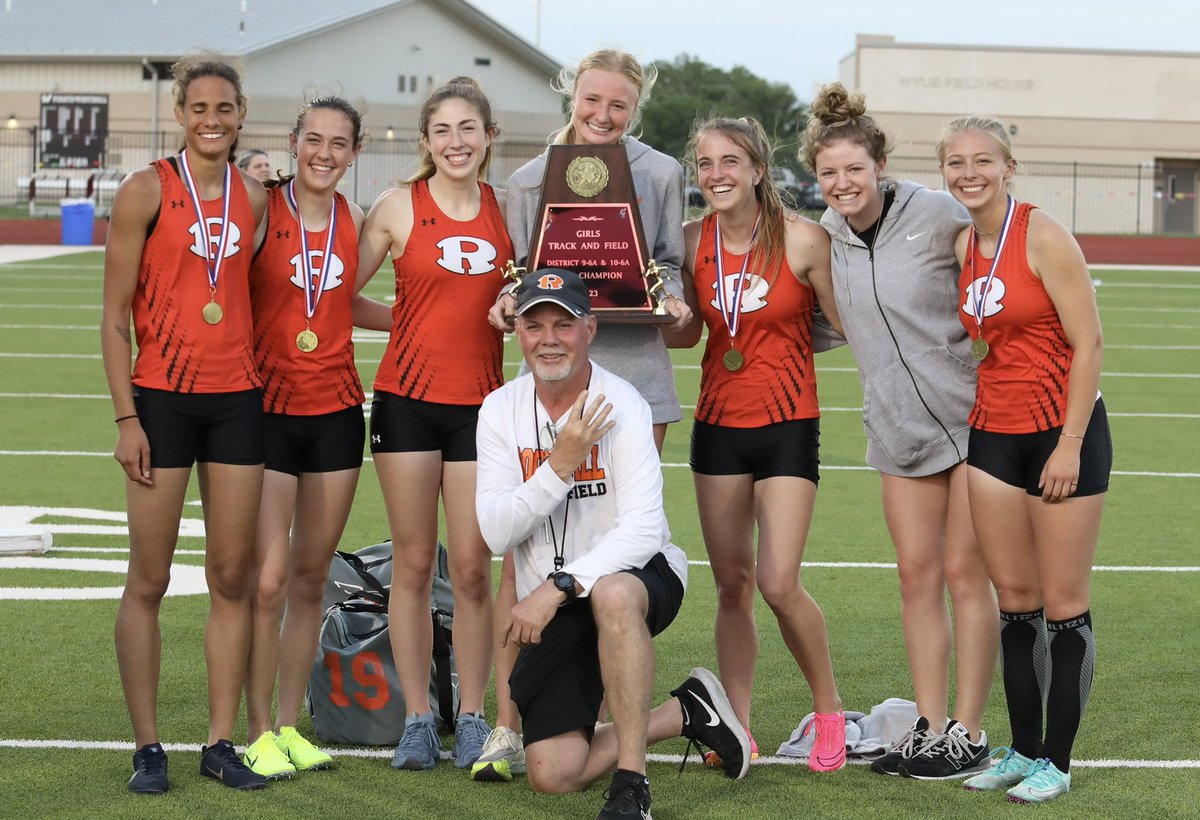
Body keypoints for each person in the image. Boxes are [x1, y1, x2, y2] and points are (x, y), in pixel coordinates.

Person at [478, 46, 691, 783]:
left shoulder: (661, 172)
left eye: (619, 107)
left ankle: (615, 714)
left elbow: (670, 263)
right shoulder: (527, 179)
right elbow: (517, 272)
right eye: (592, 101)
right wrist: (510, 301)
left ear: (636, 109)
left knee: (621, 537)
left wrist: (674, 298)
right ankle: (508, 722)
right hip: (553, 359)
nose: (603, 117)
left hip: (634, 366)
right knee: (526, 542)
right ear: (572, 94)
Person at [475, 268, 751, 820]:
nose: (549, 339)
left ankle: (631, 786)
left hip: (640, 575)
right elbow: (497, 532)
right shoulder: (499, 410)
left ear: (591, 329)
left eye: (564, 324)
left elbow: (645, 529)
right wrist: (560, 464)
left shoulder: (622, 403)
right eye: (534, 325)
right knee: (553, 775)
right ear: (518, 333)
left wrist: (559, 587)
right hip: (556, 601)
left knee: (613, 595)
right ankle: (683, 711)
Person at [801, 83, 999, 779]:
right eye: (829, 173)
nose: (843, 183)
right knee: (916, 578)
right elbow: (825, 321)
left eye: (854, 169)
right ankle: (929, 725)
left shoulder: (940, 212)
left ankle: (968, 733)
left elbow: (1001, 274)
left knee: (964, 574)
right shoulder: (823, 237)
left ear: (879, 164)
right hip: (896, 430)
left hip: (973, 422)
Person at [100, 56, 270, 793]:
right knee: (150, 578)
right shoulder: (145, 190)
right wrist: (126, 418)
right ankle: (147, 747)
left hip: (237, 400)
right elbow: (112, 319)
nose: (212, 119)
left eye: (224, 108)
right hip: (161, 400)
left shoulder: (255, 198)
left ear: (239, 115)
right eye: (198, 107)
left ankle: (219, 740)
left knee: (231, 577)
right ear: (179, 114)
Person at [938, 116, 1109, 804]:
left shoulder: (1043, 234)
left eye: (983, 160)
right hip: (993, 435)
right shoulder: (962, 245)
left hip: (1059, 435)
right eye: (955, 162)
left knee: (1065, 604)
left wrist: (1069, 445)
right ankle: (1024, 749)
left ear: (1008, 166)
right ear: (944, 171)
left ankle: (1058, 763)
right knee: (1015, 601)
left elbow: (1090, 343)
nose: (969, 172)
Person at [675, 116, 846, 773]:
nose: (715, 173)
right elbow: (683, 338)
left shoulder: (804, 241)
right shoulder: (690, 241)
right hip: (717, 425)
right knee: (731, 586)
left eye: (729, 160)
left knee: (777, 581)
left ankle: (828, 709)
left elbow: (843, 321)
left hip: (786, 425)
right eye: (704, 163)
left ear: (756, 169)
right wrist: (637, 313)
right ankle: (737, 727)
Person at [355, 76, 510, 771]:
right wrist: (405, 322)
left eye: (467, 128)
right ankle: (419, 716)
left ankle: (471, 715)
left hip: (481, 409)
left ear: (488, 138)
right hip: (407, 403)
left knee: (473, 567)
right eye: (442, 130)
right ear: (425, 140)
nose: (456, 141)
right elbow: (337, 294)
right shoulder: (395, 208)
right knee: (414, 564)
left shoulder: (508, 212)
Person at [240, 97, 367, 779]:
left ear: (354, 152)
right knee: (267, 581)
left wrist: (432, 323)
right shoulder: (263, 207)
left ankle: (289, 725)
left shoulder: (356, 220)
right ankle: (256, 727)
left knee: (312, 578)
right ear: (294, 144)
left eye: (338, 143)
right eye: (313, 140)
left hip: (339, 412)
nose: (324, 153)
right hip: (267, 411)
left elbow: (349, 302)